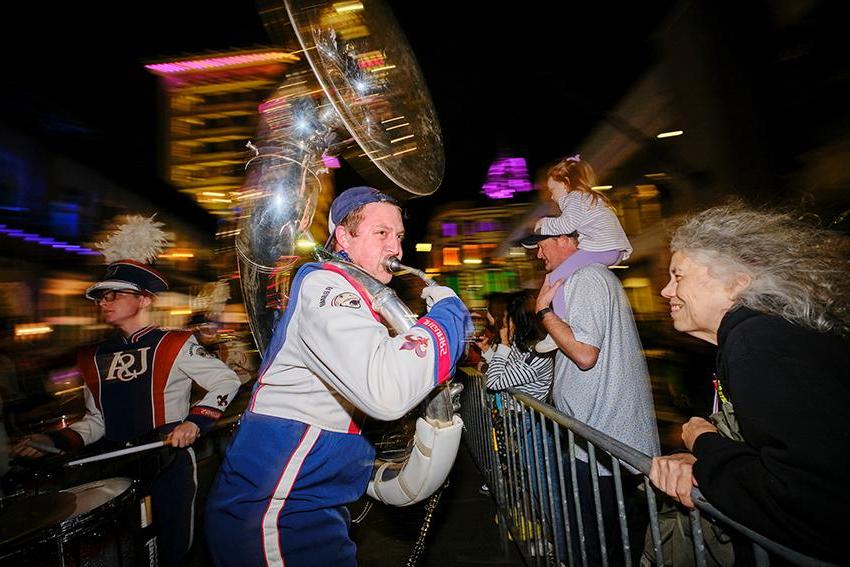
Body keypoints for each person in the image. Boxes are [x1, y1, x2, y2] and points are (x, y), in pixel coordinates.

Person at [205, 186, 471, 566]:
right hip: (275, 513)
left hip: (315, 508)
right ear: (344, 237)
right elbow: (385, 390)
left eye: (398, 236)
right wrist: (449, 317)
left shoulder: (360, 300)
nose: (396, 248)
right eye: (381, 233)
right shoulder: (324, 284)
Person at [12, 215, 241, 567]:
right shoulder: (93, 356)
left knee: (174, 551)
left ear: (145, 300)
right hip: (116, 468)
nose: (103, 301)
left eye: (114, 294)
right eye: (101, 296)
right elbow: (97, 421)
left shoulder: (175, 343)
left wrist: (194, 422)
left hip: (168, 462)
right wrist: (56, 441)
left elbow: (226, 380)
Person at [648, 204, 850, 564]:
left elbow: (810, 502)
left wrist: (704, 444)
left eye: (678, 276)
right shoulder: (760, 335)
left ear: (736, 282)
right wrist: (704, 462)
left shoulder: (758, 343)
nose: (665, 291)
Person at [521, 226, 659, 566]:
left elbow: (585, 353)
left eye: (542, 245)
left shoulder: (588, 277)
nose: (539, 254)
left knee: (605, 548)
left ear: (567, 239)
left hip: (609, 444)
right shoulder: (582, 279)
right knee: (602, 543)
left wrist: (544, 312)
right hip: (597, 442)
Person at [533, 154, 632, 353]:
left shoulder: (574, 197)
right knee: (565, 276)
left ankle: (560, 327)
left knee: (555, 278)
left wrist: (544, 223)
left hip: (601, 248)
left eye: (553, 190)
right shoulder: (586, 197)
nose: (552, 196)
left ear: (566, 182)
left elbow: (567, 224)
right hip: (608, 249)